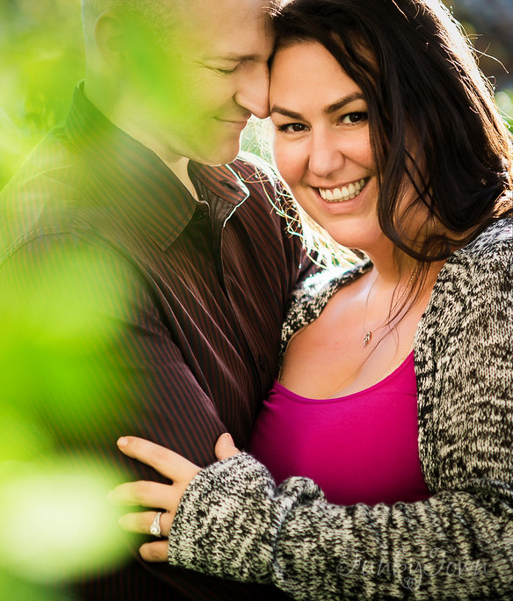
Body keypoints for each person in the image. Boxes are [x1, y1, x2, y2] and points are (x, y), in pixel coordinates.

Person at [112, 0, 513, 598]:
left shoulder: (499, 272)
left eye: (352, 116)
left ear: (431, 105)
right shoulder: (313, 300)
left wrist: (267, 536)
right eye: (292, 126)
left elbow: (498, 545)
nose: (321, 162)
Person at [0, 0, 313, 598]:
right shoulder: (64, 253)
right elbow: (212, 563)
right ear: (121, 48)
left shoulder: (258, 195)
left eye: (265, 61)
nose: (259, 99)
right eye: (228, 67)